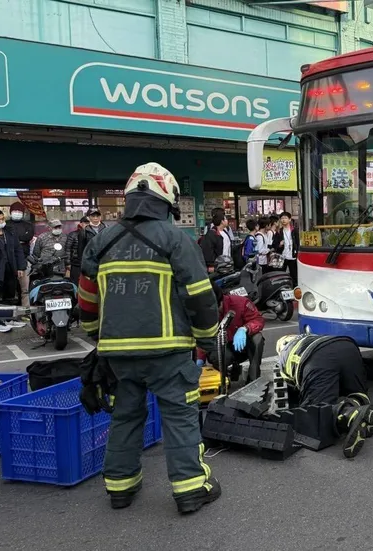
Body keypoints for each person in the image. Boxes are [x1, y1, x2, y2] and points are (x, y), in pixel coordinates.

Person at [77, 162, 221, 514]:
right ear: (165, 201)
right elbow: (200, 298)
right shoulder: (177, 239)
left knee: (125, 416)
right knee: (179, 417)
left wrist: (100, 340)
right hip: (168, 353)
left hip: (117, 355)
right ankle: (190, 490)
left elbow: (87, 304)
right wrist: (207, 338)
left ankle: (120, 488)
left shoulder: (100, 242)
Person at [275, 333, 373, 458]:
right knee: (357, 392)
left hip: (318, 357)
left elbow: (292, 390)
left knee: (316, 413)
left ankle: (348, 415)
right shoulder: (309, 337)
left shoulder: (284, 355)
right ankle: (358, 408)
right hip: (348, 347)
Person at [196, 281, 265, 384]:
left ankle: (253, 379)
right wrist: (199, 359)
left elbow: (258, 320)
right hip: (220, 349)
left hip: (241, 346)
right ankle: (223, 381)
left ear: (221, 301)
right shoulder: (204, 313)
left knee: (257, 338)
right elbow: (202, 335)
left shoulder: (241, 303)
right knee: (219, 357)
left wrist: (245, 329)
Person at [0, 209, 26, 333]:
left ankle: (9, 318)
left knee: (10, 295)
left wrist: (20, 267)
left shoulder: (9, 231)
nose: (1, 221)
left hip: (10, 267)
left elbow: (18, 249)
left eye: (2, 219)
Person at [7, 202, 34, 307]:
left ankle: (25, 313)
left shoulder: (28, 225)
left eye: (19, 211)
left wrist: (13, 239)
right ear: (10, 212)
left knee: (24, 289)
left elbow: (28, 237)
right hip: (8, 261)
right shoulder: (5, 224)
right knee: (9, 288)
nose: (17, 213)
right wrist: (20, 239)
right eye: (15, 211)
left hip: (24, 260)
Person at [273, 212, 299, 286]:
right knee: (281, 275)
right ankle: (282, 289)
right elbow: (274, 245)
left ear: (290, 219)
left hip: (292, 256)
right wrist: (279, 245)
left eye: (285, 218)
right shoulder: (279, 232)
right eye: (282, 218)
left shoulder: (295, 231)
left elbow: (298, 242)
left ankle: (294, 290)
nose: (283, 220)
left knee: (294, 276)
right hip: (282, 257)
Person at [66, 216, 88, 282]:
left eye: (89, 223)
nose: (88, 224)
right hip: (76, 264)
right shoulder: (73, 234)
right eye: (86, 223)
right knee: (75, 283)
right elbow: (67, 249)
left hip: (88, 264)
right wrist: (68, 263)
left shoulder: (93, 234)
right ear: (81, 224)